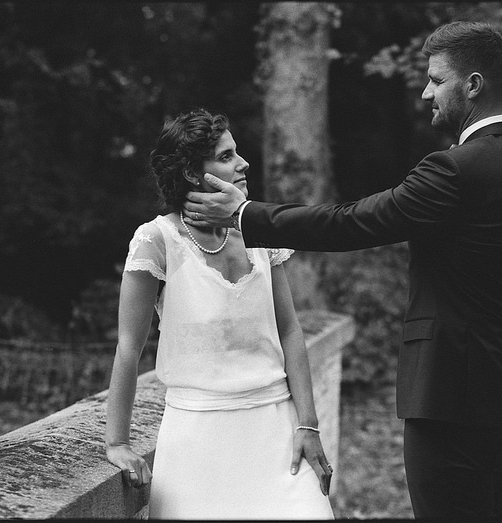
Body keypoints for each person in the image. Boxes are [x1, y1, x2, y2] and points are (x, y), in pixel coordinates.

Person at [183, 21, 502, 519]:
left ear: (473, 85)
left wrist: (242, 214)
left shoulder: (455, 170)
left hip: (447, 394)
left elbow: (351, 223)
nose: (427, 92)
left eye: (437, 79)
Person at [104, 108, 334, 519]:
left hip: (276, 430)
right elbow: (129, 346)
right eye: (227, 156)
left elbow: (290, 331)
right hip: (197, 440)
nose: (243, 163)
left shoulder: (260, 231)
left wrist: (308, 424)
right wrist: (117, 442)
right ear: (194, 173)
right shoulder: (157, 240)